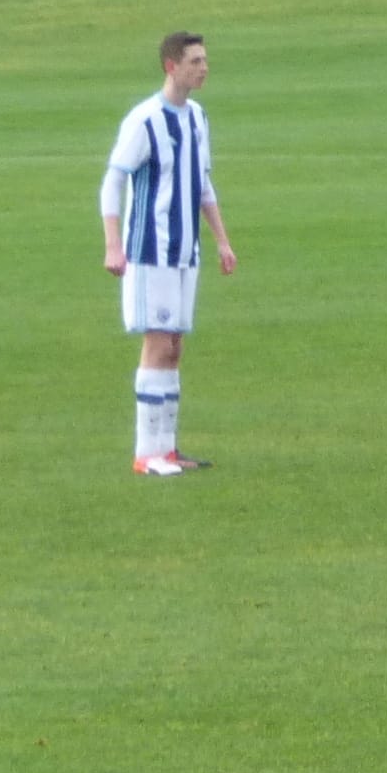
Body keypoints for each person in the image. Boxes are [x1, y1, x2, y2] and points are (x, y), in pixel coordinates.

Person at [100, 31, 237, 475]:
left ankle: (168, 448)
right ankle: (146, 454)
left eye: (205, 60)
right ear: (171, 66)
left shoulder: (197, 117)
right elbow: (113, 181)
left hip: (185, 251)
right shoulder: (144, 120)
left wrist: (221, 239)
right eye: (195, 61)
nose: (204, 67)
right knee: (156, 344)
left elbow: (202, 184)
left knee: (175, 347)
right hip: (149, 251)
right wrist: (113, 246)